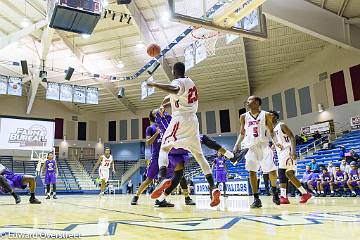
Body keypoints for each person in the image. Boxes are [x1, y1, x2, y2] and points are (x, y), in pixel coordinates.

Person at [146, 62, 220, 207]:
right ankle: (213, 187)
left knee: (164, 148)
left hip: (180, 119)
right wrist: (165, 104)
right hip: (193, 121)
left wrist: (154, 84)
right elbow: (175, 96)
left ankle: (162, 178)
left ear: (174, 71)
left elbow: (174, 88)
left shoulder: (177, 81)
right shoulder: (190, 82)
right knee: (200, 156)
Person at [131, 109, 195, 206]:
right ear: (153, 117)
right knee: (149, 179)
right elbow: (148, 143)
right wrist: (156, 134)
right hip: (157, 156)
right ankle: (136, 197)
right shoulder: (150, 128)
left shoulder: (167, 124)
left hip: (169, 154)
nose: (157, 112)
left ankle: (186, 197)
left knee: (180, 175)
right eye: (154, 112)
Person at [233, 96, 280, 208]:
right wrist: (237, 143)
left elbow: (271, 131)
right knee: (252, 171)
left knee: (272, 170)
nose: (248, 102)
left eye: (250, 100)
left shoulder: (266, 114)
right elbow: (242, 132)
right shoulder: (243, 116)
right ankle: (256, 198)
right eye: (247, 100)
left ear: (257, 103)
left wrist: (276, 142)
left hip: (264, 145)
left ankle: (274, 192)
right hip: (250, 147)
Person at [270, 110, 312, 204]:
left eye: (271, 115)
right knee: (289, 174)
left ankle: (284, 197)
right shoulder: (271, 130)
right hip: (280, 153)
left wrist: (293, 150)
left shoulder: (281, 125)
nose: (269, 117)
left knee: (281, 172)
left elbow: (292, 137)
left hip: (287, 150)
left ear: (275, 117)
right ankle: (305, 193)